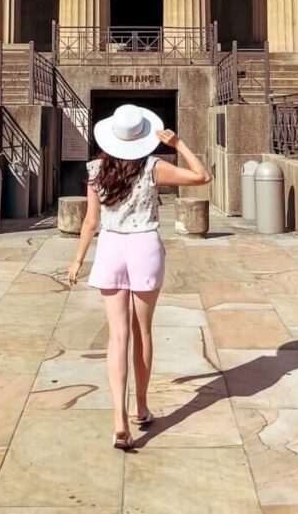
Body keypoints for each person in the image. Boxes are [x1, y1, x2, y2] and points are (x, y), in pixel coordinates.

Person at [67, 104, 210, 450]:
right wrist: (178, 144)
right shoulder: (153, 167)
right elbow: (201, 177)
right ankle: (141, 407)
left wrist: (77, 260)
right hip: (144, 245)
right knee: (142, 331)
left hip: (111, 248)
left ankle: (119, 418)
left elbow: (90, 222)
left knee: (117, 336)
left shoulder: (96, 169)